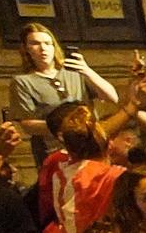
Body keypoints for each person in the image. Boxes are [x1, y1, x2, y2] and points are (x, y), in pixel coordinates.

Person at [7, 22, 118, 156]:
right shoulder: (23, 82)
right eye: (35, 43)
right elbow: (28, 125)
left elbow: (112, 97)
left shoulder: (74, 72)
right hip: (55, 148)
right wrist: (68, 127)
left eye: (48, 43)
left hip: (91, 142)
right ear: (26, 49)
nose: (43, 48)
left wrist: (87, 71)